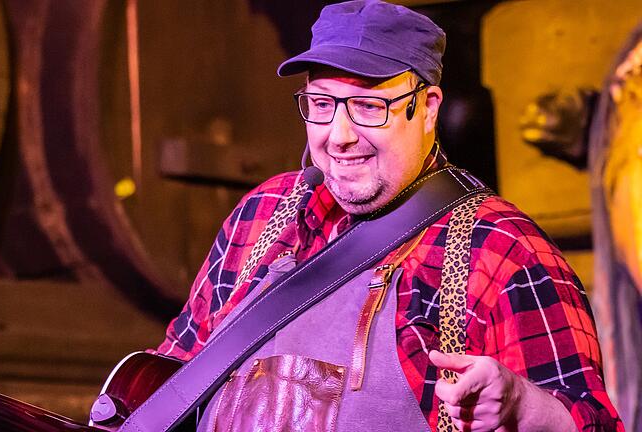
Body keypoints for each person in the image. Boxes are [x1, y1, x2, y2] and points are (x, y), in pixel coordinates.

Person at [154, 1, 623, 430]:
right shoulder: (262, 214)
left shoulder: (500, 250)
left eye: (367, 106)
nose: (338, 136)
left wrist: (526, 406)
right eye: (321, 104)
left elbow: (594, 422)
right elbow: (173, 376)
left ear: (428, 108)